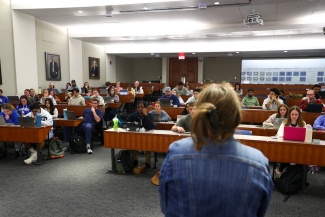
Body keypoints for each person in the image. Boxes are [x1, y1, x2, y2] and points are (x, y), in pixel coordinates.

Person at [159, 83, 273, 216]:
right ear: (236, 117)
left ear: (200, 113)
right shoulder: (259, 163)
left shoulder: (176, 152)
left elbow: (165, 206)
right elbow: (259, 212)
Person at [276, 106, 307, 177]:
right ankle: (279, 172)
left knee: (299, 156)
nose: (294, 116)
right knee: (287, 154)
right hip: (287, 146)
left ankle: (299, 177)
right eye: (292, 114)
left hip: (299, 147)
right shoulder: (284, 123)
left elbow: (305, 136)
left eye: (296, 114)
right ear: (289, 114)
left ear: (299, 115)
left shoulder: (303, 123)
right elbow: (279, 134)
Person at [126, 101, 154, 171]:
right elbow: (125, 123)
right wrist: (129, 127)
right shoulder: (133, 115)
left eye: (142, 107)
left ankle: (147, 163)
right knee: (129, 144)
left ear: (145, 108)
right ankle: (135, 160)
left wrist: (146, 115)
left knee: (149, 146)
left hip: (146, 136)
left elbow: (151, 127)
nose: (140, 109)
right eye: (138, 107)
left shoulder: (150, 115)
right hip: (135, 136)